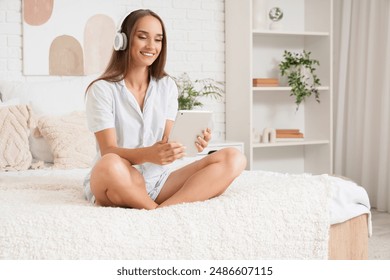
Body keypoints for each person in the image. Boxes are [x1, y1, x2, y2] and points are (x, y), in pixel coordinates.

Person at [83, 9, 246, 210]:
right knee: (109, 163)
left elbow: (168, 141)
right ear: (122, 41)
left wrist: (189, 143)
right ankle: (154, 210)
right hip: (118, 178)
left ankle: (160, 211)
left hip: (159, 181)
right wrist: (149, 154)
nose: (151, 46)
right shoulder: (102, 89)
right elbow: (109, 150)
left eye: (158, 39)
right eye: (143, 37)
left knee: (234, 158)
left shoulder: (167, 86)